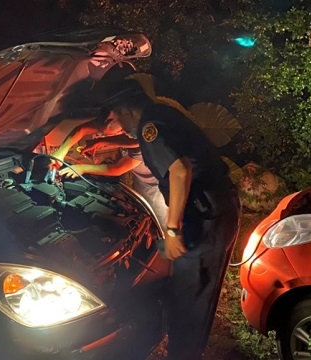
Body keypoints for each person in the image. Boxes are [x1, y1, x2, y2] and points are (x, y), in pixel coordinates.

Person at [102, 78, 241, 360]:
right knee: (201, 289)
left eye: (116, 116)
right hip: (221, 206)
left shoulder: (149, 130)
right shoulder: (164, 114)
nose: (118, 122)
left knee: (193, 296)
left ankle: (182, 354)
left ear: (127, 111)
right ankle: (187, 348)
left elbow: (179, 171)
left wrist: (173, 228)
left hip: (203, 218)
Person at [49, 113, 169, 227]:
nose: (105, 135)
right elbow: (83, 129)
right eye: (103, 132)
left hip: (156, 185)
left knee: (158, 219)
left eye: (120, 131)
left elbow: (118, 168)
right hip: (140, 178)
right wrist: (62, 150)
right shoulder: (120, 117)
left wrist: (82, 168)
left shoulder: (147, 135)